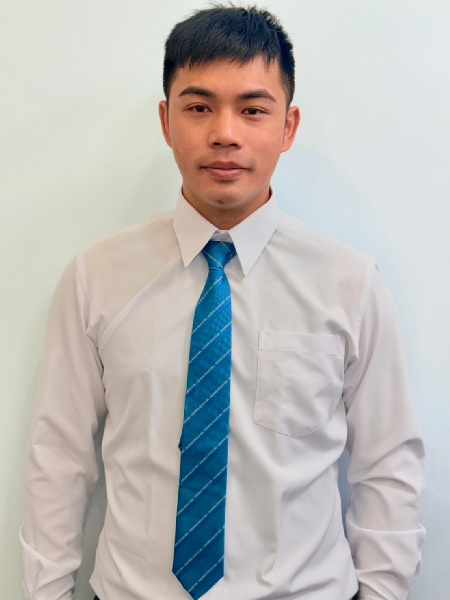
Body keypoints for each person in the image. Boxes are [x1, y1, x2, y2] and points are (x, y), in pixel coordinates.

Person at [20, 4, 425, 600]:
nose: (225, 133)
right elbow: (59, 456)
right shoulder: (96, 277)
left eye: (253, 109)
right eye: (199, 107)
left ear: (288, 127)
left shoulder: (350, 283)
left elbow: (387, 463)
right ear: (166, 121)